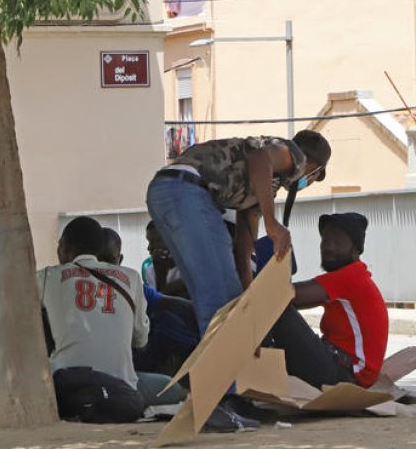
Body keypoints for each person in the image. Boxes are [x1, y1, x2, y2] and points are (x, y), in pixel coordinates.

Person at [144, 129, 331, 430]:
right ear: (314, 168)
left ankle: (224, 397)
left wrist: (249, 305)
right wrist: (274, 223)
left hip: (170, 191)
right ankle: (217, 401)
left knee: (227, 302)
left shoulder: (259, 189)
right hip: (189, 192)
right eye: (314, 177)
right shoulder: (292, 155)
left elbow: (245, 243)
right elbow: (260, 158)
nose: (306, 181)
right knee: (220, 304)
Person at [38, 217, 148, 423]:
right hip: (122, 394)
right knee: (169, 386)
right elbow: (141, 340)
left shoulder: (46, 277)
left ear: (64, 246)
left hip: (66, 392)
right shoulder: (132, 278)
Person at [267, 212, 389, 389]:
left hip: (347, 377)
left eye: (338, 242)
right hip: (341, 370)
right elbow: (296, 302)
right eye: (325, 241)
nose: (328, 247)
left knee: (273, 304)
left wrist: (252, 277)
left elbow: (288, 295)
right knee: (275, 305)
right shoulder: (349, 278)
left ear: (355, 249)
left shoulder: (351, 276)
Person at [99, 228, 197, 392]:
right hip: (117, 363)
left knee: (169, 318)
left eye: (108, 261)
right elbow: (140, 338)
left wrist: (209, 318)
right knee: (164, 323)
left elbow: (165, 301)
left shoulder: (129, 281)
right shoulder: (142, 273)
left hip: (131, 354)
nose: (150, 248)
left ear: (120, 260)